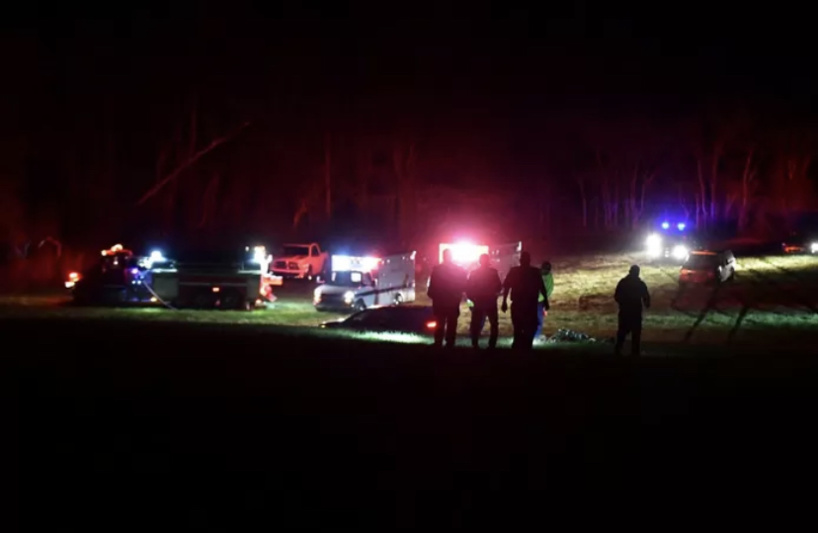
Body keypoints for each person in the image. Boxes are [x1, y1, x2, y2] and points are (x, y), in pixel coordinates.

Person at [501, 251, 549, 350]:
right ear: (529, 260)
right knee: (530, 326)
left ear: (520, 260)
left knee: (518, 325)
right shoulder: (534, 272)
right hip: (530, 304)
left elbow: (506, 287)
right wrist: (546, 301)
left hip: (519, 303)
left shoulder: (514, 271)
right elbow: (542, 287)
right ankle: (526, 345)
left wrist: (504, 301)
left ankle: (518, 345)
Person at [427, 248, 467, 348]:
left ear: (443, 256)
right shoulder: (458, 270)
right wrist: (459, 295)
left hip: (440, 302)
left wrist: (433, 295)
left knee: (439, 322)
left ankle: (438, 342)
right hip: (453, 301)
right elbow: (463, 284)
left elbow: (432, 285)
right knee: (452, 323)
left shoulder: (437, 269)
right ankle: (450, 343)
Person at [466, 253, 502, 349]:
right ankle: (492, 345)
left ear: (480, 261)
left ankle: (475, 343)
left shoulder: (474, 273)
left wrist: (470, 303)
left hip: (478, 301)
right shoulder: (493, 272)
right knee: (494, 323)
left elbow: (468, 289)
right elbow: (499, 286)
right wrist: (495, 295)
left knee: (476, 323)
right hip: (490, 301)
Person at [614, 264, 651, 356]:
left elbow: (617, 296)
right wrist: (647, 304)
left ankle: (618, 350)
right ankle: (635, 352)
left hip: (625, 311)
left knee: (622, 332)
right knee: (635, 333)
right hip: (635, 311)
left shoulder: (623, 282)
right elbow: (646, 296)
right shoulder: (640, 284)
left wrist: (622, 303)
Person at [534, 261, 554, 341]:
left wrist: (545, 302)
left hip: (540, 302)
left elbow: (549, 289)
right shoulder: (535, 275)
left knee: (539, 321)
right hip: (531, 300)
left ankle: (535, 338)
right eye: (545, 270)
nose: (546, 272)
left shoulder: (549, 277)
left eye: (547, 270)